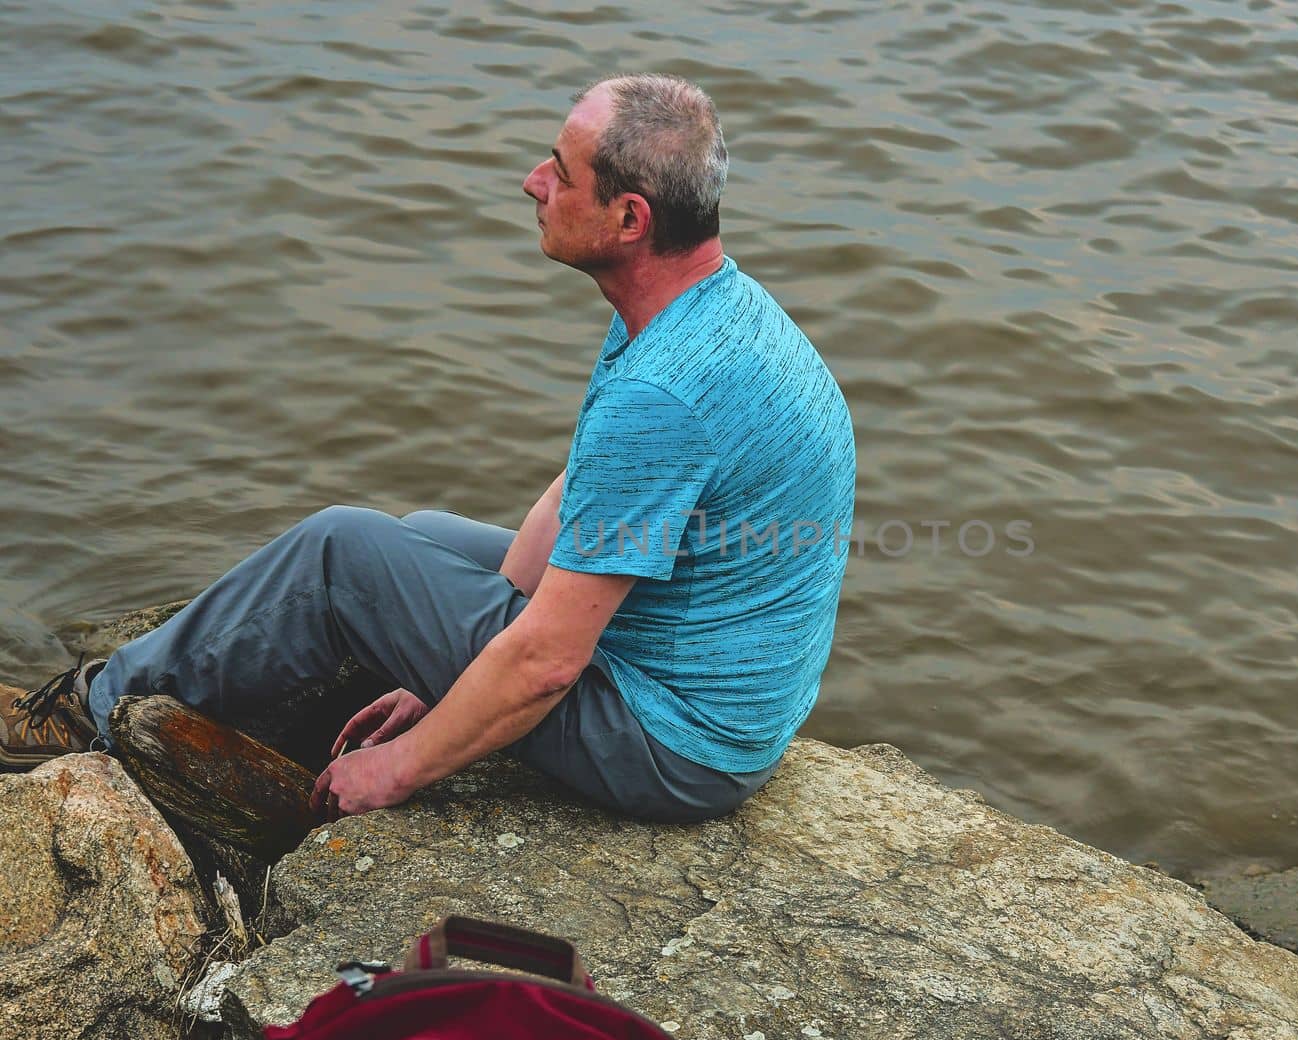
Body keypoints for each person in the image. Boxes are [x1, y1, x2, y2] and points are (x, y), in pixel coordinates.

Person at [0, 74, 856, 824]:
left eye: (560, 172)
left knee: (342, 552)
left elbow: (550, 659)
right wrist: (445, 659)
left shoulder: (661, 393)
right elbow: (580, 493)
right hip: (703, 683)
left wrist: (400, 767)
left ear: (630, 218)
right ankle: (228, 701)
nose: (532, 182)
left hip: (674, 747)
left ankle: (93, 712)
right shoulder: (701, 313)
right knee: (420, 533)